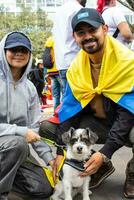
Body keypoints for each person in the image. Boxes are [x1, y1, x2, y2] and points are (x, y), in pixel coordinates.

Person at [40, 8, 134, 198]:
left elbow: (127, 112)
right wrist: (61, 150)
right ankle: (95, 163)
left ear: (105, 29)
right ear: (75, 37)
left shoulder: (127, 62)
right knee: (48, 127)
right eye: (81, 32)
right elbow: (70, 110)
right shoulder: (76, 69)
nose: (88, 37)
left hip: (128, 122)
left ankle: (131, 170)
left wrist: (105, 151)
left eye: (93, 30)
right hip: (97, 123)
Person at [0, 31, 55, 200]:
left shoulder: (30, 88)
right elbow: (25, 133)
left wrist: (49, 160)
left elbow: (34, 127)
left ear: (30, 55)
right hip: (13, 145)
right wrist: (21, 132)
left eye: (24, 50)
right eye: (13, 49)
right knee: (18, 144)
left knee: (43, 188)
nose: (19, 53)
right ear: (3, 51)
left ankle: (6, 174)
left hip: (14, 150)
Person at [53, 0, 87, 96]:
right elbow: (84, 36)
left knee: (68, 101)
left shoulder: (58, 11)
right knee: (81, 101)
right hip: (76, 61)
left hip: (62, 63)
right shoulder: (78, 10)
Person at [43, 36, 62, 110]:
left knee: (55, 95)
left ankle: (55, 111)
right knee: (64, 92)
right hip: (58, 69)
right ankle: (62, 112)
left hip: (50, 71)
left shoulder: (49, 40)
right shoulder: (58, 39)